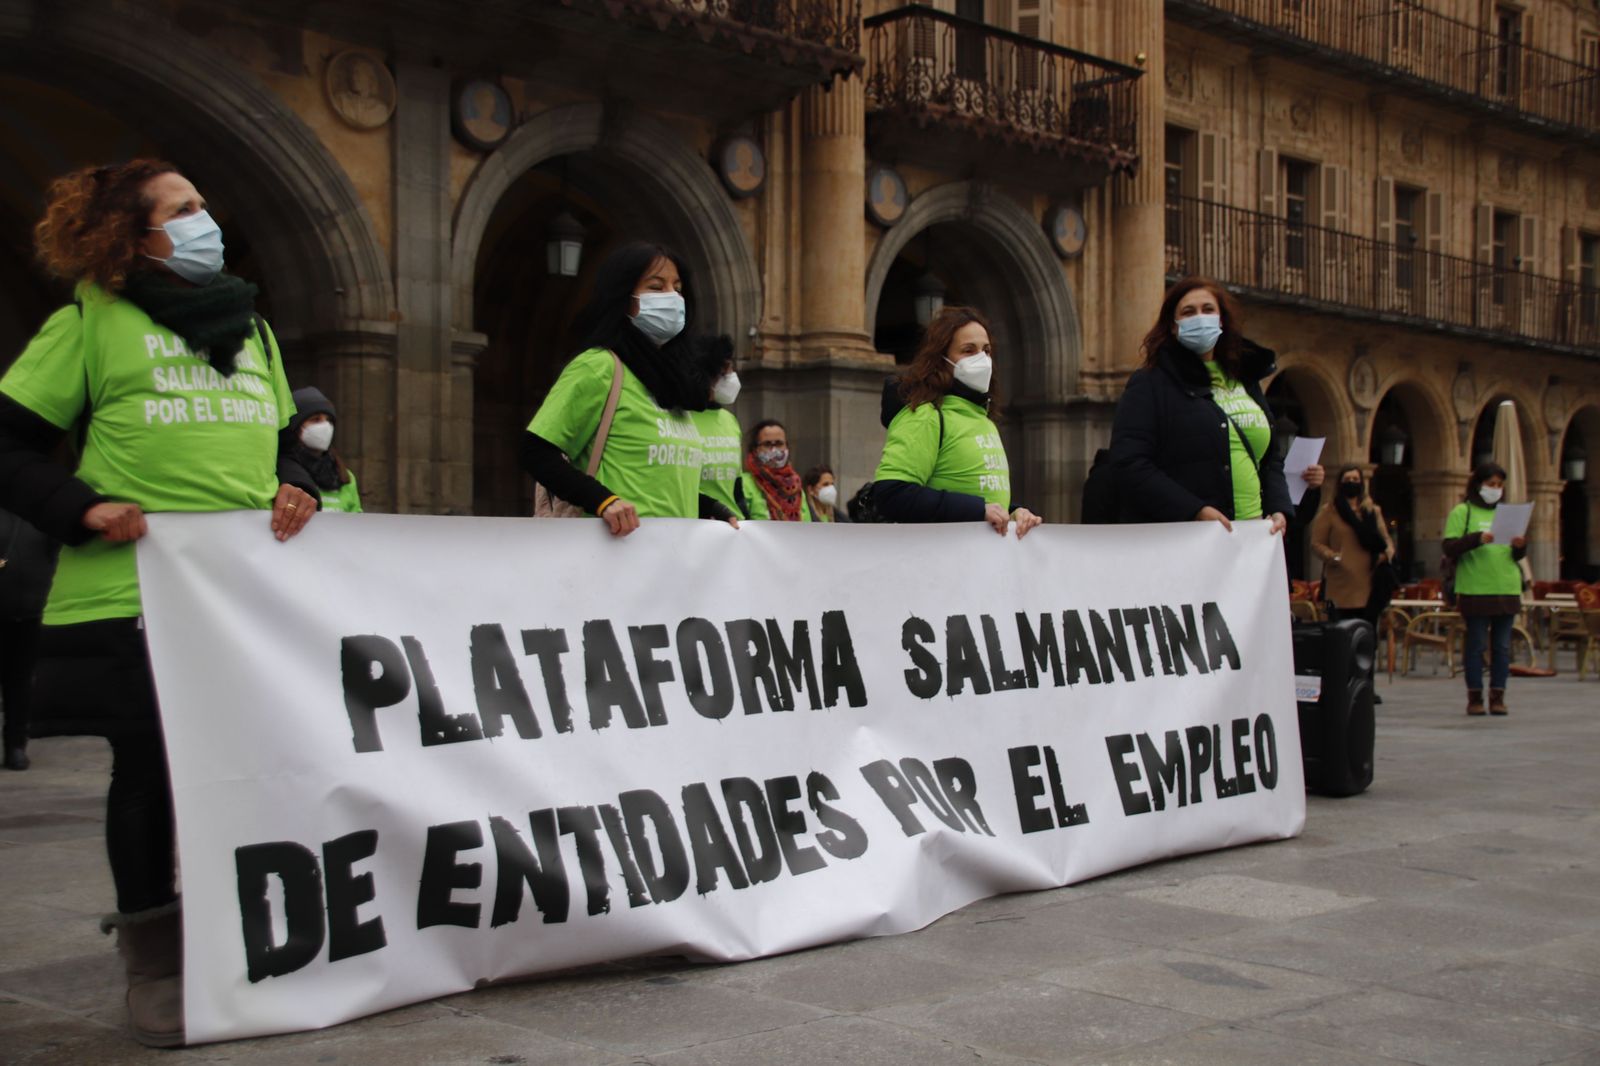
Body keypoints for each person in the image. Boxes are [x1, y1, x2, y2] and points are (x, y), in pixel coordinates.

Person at [0, 160, 315, 1047]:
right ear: (132, 236)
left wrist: (297, 482)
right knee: (148, 770)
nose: (205, 220)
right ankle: (154, 961)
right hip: (132, 589)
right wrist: (80, 508)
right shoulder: (88, 324)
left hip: (243, 593)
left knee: (252, 766)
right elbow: (9, 445)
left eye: (203, 204)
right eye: (183, 209)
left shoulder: (253, 330)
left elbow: (285, 444)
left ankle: (238, 935)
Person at [520, 242, 738, 535]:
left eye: (677, 288)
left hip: (671, 553)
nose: (672, 297)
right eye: (656, 287)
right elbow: (535, 452)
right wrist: (602, 501)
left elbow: (655, 482)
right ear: (623, 298)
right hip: (611, 551)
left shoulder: (674, 387)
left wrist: (708, 507)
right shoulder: (599, 366)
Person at [1108, 277, 1298, 534]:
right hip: (1190, 538)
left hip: (1254, 536)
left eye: (1208, 310)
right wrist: (1195, 510)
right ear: (1173, 326)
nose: (1200, 317)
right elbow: (1128, 462)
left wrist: (1279, 507)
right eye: (1188, 312)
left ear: (1221, 321)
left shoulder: (1245, 378)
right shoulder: (1151, 383)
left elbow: (1271, 458)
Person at [872, 306, 1041, 537]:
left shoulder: (984, 419)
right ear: (941, 359)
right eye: (968, 350)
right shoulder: (926, 416)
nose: (982, 359)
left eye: (986, 350)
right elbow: (891, 493)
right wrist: (978, 510)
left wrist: (1013, 513)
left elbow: (975, 495)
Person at [1443, 462, 1527, 717]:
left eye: (1500, 485)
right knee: (1476, 645)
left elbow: (1516, 554)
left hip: (1507, 586)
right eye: (1491, 484)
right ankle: (1475, 697)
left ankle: (1498, 696)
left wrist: (1520, 546)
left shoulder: (1507, 513)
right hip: (1475, 588)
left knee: (1502, 647)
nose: (1496, 489)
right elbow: (1449, 547)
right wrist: (1477, 539)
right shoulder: (1463, 511)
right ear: (1478, 484)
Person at [0, 507, 57, 770]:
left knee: (20, 681)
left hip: (30, 611)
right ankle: (15, 746)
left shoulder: (40, 512)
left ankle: (16, 745)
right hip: (19, 605)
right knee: (19, 681)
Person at [1311, 465, 1395, 627]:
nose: (1351, 482)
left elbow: (1386, 540)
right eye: (1347, 479)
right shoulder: (1329, 511)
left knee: (1366, 633)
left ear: (1362, 483)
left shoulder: (1372, 511)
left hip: (1369, 583)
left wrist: (1386, 555)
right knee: (1342, 634)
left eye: (1355, 479)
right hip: (1341, 584)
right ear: (1340, 483)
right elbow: (1316, 543)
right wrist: (1333, 557)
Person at [280, 387, 362, 513]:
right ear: (295, 426)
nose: (325, 426)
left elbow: (356, 518)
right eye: (315, 419)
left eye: (329, 420)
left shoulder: (344, 476)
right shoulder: (283, 472)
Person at [689, 337, 743, 519]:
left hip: (732, 523)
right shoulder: (683, 418)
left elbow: (736, 485)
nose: (731, 375)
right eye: (726, 369)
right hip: (699, 522)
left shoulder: (730, 420)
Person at [740, 419, 814, 521]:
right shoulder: (743, 484)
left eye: (779, 444)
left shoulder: (795, 486)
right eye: (767, 444)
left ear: (787, 446)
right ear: (755, 450)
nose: (774, 450)